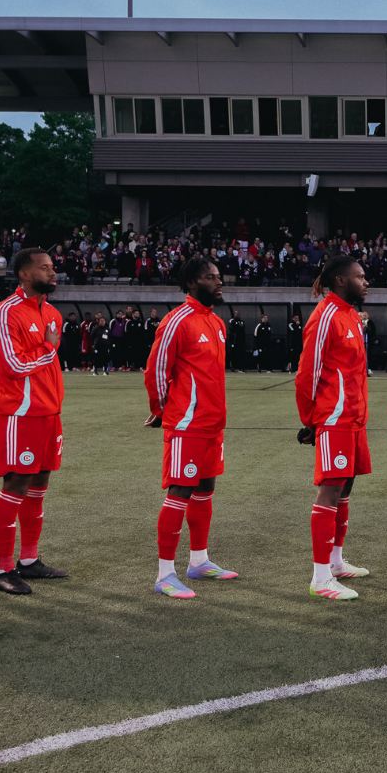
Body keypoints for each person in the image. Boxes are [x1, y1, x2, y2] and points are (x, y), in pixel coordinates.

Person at [142, 256, 238, 600]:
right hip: (187, 424)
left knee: (205, 487)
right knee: (180, 491)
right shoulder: (177, 320)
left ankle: (199, 561)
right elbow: (156, 370)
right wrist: (161, 410)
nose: (219, 281)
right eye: (212, 277)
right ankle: (165, 574)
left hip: (213, 424)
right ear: (194, 282)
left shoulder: (216, 322)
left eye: (219, 276)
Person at [0, 248, 69, 596]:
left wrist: (47, 352)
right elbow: (15, 365)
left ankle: (29, 560)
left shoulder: (51, 313)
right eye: (44, 268)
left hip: (49, 412)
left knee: (39, 484)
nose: (52, 272)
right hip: (21, 414)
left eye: (52, 267)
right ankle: (4, 569)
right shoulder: (5, 312)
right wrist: (48, 348)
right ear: (23, 274)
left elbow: (39, 365)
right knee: (16, 484)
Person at [296, 255, 372, 601]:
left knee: (345, 488)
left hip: (354, 419)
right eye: (360, 276)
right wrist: (311, 419)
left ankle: (337, 562)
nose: (365, 282)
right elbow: (307, 373)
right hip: (334, 418)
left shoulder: (351, 315)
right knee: (330, 491)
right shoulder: (325, 315)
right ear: (341, 280)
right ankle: (320, 577)